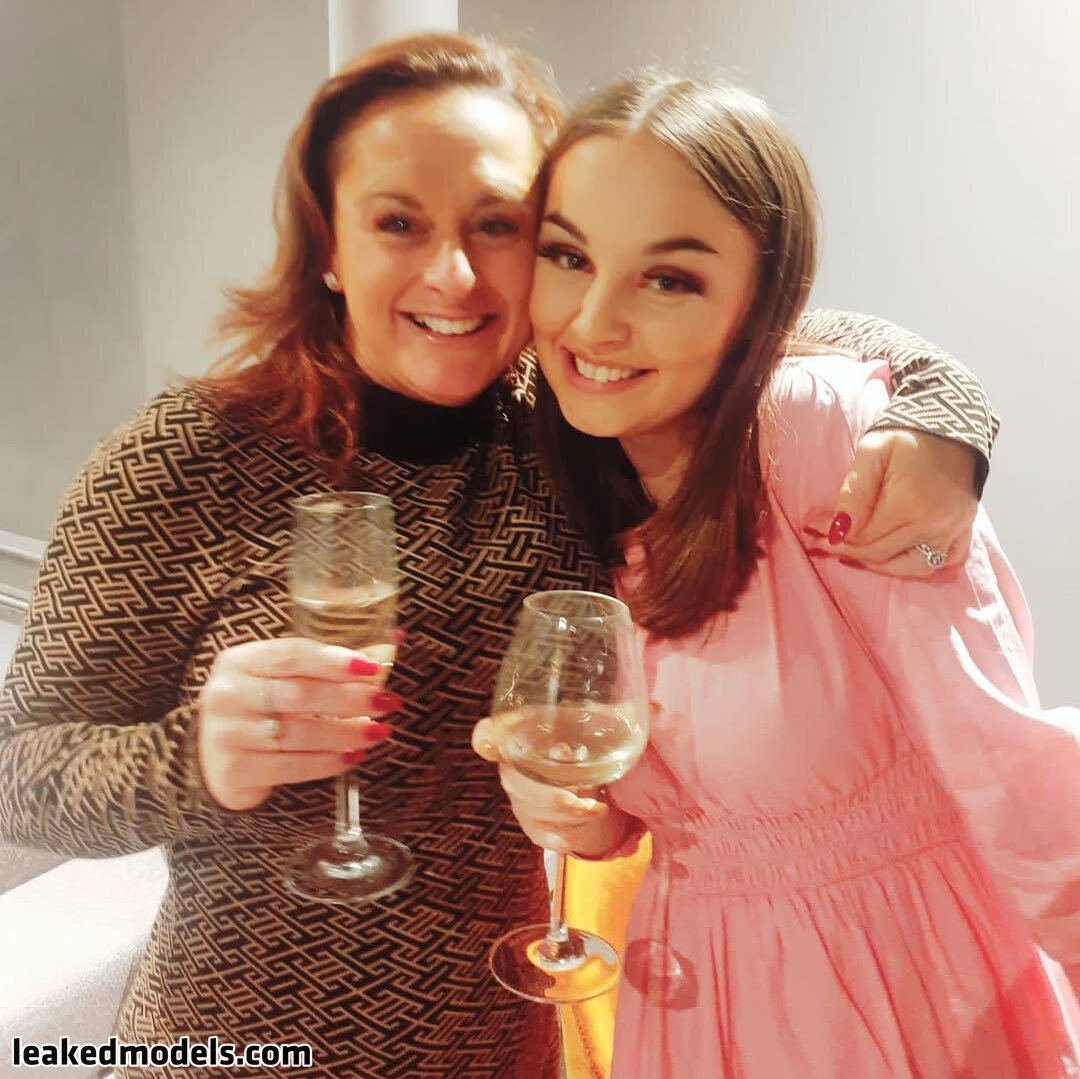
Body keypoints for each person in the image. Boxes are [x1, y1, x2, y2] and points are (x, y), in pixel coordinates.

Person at [0, 32, 1001, 1079]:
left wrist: (949, 413)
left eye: (498, 225)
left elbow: (767, 328)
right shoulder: (189, 460)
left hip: (504, 1036)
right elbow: (19, 774)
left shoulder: (569, 419)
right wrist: (191, 756)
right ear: (329, 244)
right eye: (398, 223)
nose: (455, 273)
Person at [474, 70, 1080, 1078]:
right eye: (569, 256)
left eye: (670, 279)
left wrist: (948, 526)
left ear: (761, 304)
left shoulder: (819, 430)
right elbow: (670, 800)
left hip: (898, 985)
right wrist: (586, 815)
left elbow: (1006, 756)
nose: (594, 321)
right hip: (694, 998)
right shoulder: (564, 472)